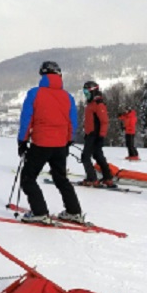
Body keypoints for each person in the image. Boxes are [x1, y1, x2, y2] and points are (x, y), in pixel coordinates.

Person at [16, 61, 84, 224]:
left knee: (28, 177)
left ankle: (39, 212)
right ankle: (74, 211)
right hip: (60, 145)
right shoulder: (67, 96)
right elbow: (72, 122)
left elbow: (26, 119)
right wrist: (68, 140)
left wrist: (22, 141)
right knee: (61, 178)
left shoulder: (34, 93)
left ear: (43, 75)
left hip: (41, 143)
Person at [80, 81, 116, 188]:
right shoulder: (91, 104)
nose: (86, 95)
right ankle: (107, 177)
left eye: (87, 92)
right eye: (84, 92)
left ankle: (92, 178)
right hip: (91, 134)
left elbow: (104, 121)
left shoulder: (98, 104)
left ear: (94, 91)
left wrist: (101, 136)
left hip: (95, 135)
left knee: (85, 156)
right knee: (97, 155)